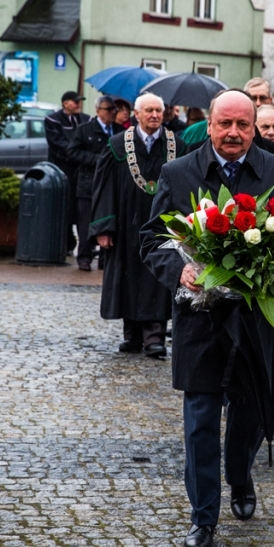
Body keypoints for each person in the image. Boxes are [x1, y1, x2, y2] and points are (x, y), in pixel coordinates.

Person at [139, 89, 274, 547]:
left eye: (243, 125)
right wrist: (181, 270)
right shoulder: (178, 173)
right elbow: (151, 241)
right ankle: (203, 517)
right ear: (208, 125)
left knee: (251, 414)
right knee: (200, 420)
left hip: (258, 319)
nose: (233, 133)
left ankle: (240, 474)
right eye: (224, 124)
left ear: (254, 127)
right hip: (200, 319)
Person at [90, 92, 180, 358]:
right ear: (136, 115)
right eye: (149, 110)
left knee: (157, 277)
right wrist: (104, 227)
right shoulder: (117, 145)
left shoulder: (176, 145)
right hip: (126, 222)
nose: (154, 115)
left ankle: (154, 337)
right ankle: (131, 335)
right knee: (127, 277)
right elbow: (104, 188)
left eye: (158, 111)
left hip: (161, 224)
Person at [67, 96, 122, 271]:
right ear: (98, 111)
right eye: (109, 109)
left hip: (112, 186)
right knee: (85, 224)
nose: (113, 112)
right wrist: (97, 160)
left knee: (108, 222)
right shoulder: (85, 130)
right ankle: (84, 257)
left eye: (114, 109)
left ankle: (105, 259)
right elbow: (72, 152)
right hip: (88, 185)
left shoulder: (120, 131)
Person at [44, 91, 90, 258]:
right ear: (65, 103)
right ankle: (64, 243)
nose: (78, 104)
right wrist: (75, 152)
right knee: (64, 208)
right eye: (75, 101)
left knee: (81, 210)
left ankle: (83, 245)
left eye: (79, 101)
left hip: (81, 171)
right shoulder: (53, 120)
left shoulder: (85, 120)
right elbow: (58, 144)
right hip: (63, 170)